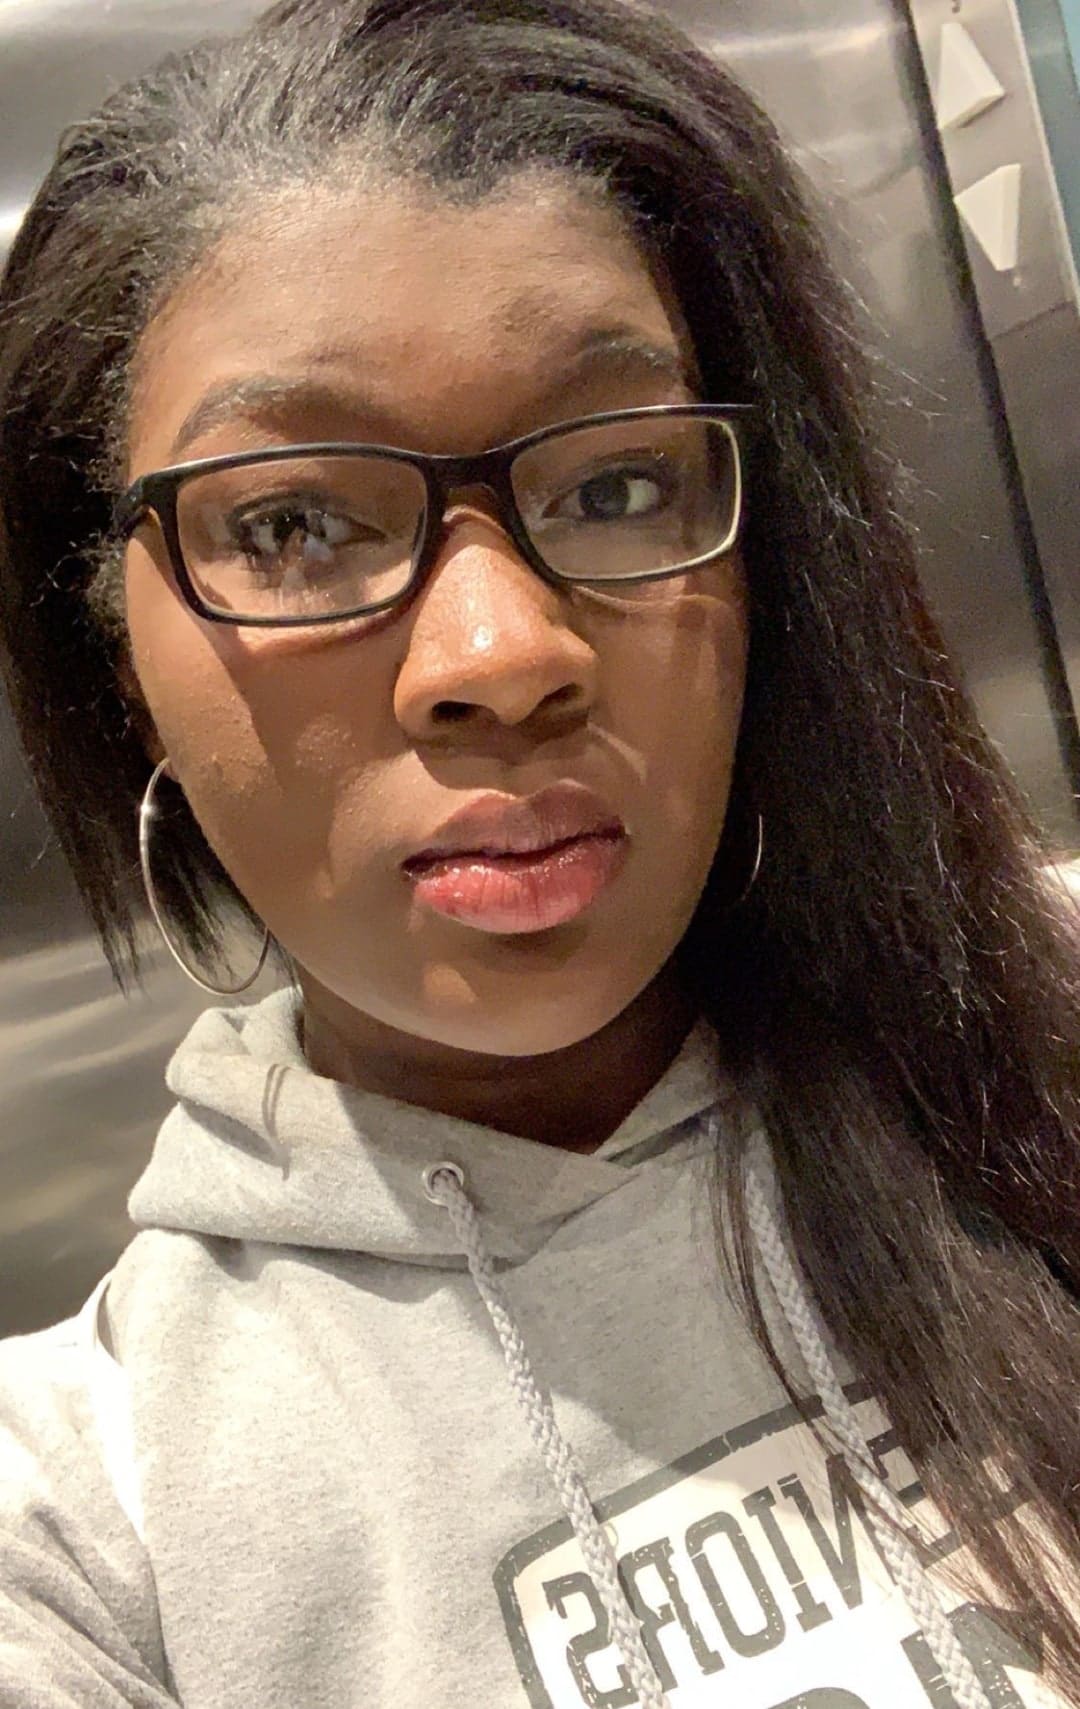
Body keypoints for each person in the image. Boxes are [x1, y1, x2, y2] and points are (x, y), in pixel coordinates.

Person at [0, 0, 1078, 1703]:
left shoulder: (1039, 1052)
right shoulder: (87, 1520)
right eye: (291, 523)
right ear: (113, 651)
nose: (504, 654)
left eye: (620, 485)